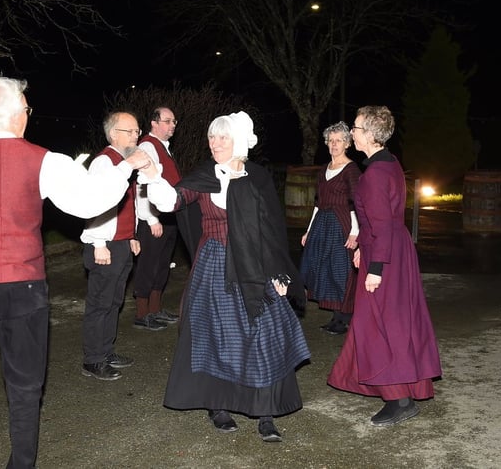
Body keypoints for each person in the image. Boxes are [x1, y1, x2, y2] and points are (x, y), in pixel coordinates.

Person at [0, 75, 153, 469]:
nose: (28, 111)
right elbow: (89, 200)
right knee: (25, 387)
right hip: (24, 288)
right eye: (25, 105)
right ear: (15, 115)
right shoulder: (44, 160)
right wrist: (125, 167)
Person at [140, 111, 311, 442]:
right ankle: (218, 406)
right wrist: (151, 174)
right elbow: (171, 200)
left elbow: (271, 231)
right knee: (216, 337)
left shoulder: (257, 178)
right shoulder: (204, 177)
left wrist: (279, 272)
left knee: (263, 336)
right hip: (215, 266)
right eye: (212, 137)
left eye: (222, 138)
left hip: (255, 267)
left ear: (239, 143)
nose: (215, 143)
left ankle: (265, 412)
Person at [327, 105, 442, 427]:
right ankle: (402, 392)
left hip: (387, 258)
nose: (352, 133)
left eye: (356, 128)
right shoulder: (388, 162)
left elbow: (383, 223)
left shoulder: (376, 174)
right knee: (394, 323)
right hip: (392, 251)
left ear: (372, 135)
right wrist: (364, 247)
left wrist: (375, 268)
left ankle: (399, 400)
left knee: (378, 326)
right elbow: (382, 221)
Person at [80, 111, 144, 381]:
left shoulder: (124, 162)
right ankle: (92, 360)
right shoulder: (104, 163)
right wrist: (97, 243)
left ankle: (106, 351)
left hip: (120, 244)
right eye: (129, 131)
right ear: (113, 134)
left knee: (114, 301)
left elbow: (129, 203)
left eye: (137, 131)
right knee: (100, 303)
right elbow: (95, 204)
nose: (135, 135)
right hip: (104, 245)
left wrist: (131, 234)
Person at [299, 121, 361, 335]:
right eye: (331, 141)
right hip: (322, 224)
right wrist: (309, 230)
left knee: (342, 270)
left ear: (347, 144)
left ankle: (345, 318)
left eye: (339, 141)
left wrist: (356, 232)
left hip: (342, 223)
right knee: (324, 268)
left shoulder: (351, 170)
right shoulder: (323, 170)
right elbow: (317, 202)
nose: (334, 145)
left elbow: (356, 202)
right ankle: (336, 316)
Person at [132, 106, 182, 331]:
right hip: (153, 218)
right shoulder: (147, 146)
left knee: (162, 264)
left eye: (174, 122)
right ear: (154, 123)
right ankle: (142, 314)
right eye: (168, 121)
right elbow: (143, 184)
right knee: (148, 264)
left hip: (167, 216)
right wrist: (152, 219)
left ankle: (155, 309)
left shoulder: (163, 147)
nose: (173, 126)